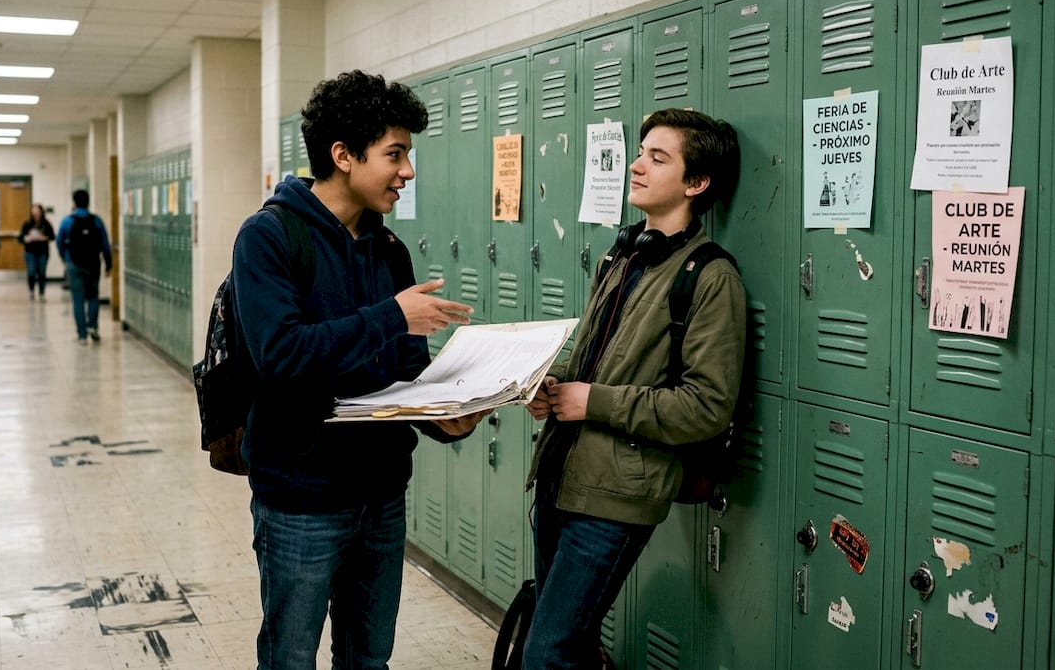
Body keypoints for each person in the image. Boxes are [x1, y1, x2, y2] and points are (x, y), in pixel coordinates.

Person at [235, 70, 486, 670]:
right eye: (394, 154)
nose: (408, 171)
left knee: (369, 659)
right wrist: (392, 315)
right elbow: (281, 356)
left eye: (408, 155)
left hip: (381, 494)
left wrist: (443, 417)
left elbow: (405, 368)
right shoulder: (268, 238)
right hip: (302, 497)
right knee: (290, 658)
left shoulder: (389, 251)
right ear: (343, 155)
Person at [522, 108, 748, 669]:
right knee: (564, 646)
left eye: (657, 158)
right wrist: (552, 383)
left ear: (696, 183)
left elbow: (707, 407)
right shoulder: (623, 254)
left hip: (615, 496)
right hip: (561, 474)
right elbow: (591, 352)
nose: (636, 165)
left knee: (547, 653)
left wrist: (591, 401)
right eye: (641, 152)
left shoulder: (710, 277)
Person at [55, 189, 112, 345]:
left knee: (78, 300)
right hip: (93, 264)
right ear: (88, 202)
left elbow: (59, 242)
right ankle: (93, 326)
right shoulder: (97, 221)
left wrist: (65, 258)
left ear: (74, 202)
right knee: (93, 296)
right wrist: (108, 264)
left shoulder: (67, 221)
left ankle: (82, 336)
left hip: (74, 264)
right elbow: (105, 244)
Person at [19, 203, 56, 300]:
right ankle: (31, 290)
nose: (35, 213)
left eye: (37, 211)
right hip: (30, 251)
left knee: (42, 272)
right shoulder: (27, 224)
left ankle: (41, 292)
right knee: (31, 272)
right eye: (34, 211)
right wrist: (26, 238)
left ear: (41, 212)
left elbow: (52, 236)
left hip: (42, 251)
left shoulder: (46, 224)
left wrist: (43, 238)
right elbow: (20, 238)